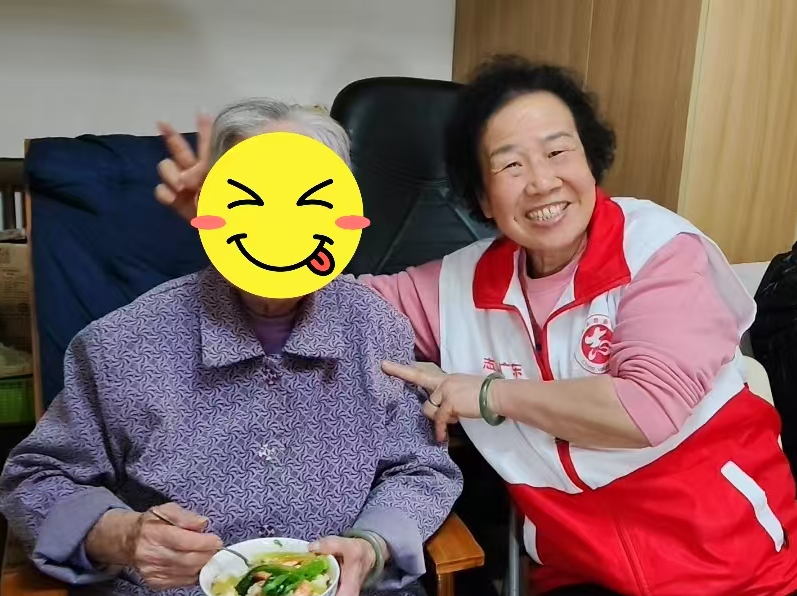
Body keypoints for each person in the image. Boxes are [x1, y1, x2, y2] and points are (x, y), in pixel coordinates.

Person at [155, 56, 797, 595]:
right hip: (578, 571)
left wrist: (484, 394)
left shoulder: (660, 248)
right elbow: (322, 297)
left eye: (559, 151)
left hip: (730, 563)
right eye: (510, 165)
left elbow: (645, 407)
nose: (542, 181)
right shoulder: (455, 284)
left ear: (590, 160)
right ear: (482, 195)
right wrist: (239, 226)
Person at [0, 99, 463, 596]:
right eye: (253, 199)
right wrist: (123, 536)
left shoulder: (375, 329)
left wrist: (372, 545)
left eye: (307, 201)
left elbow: (421, 468)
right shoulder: (121, 343)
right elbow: (35, 480)